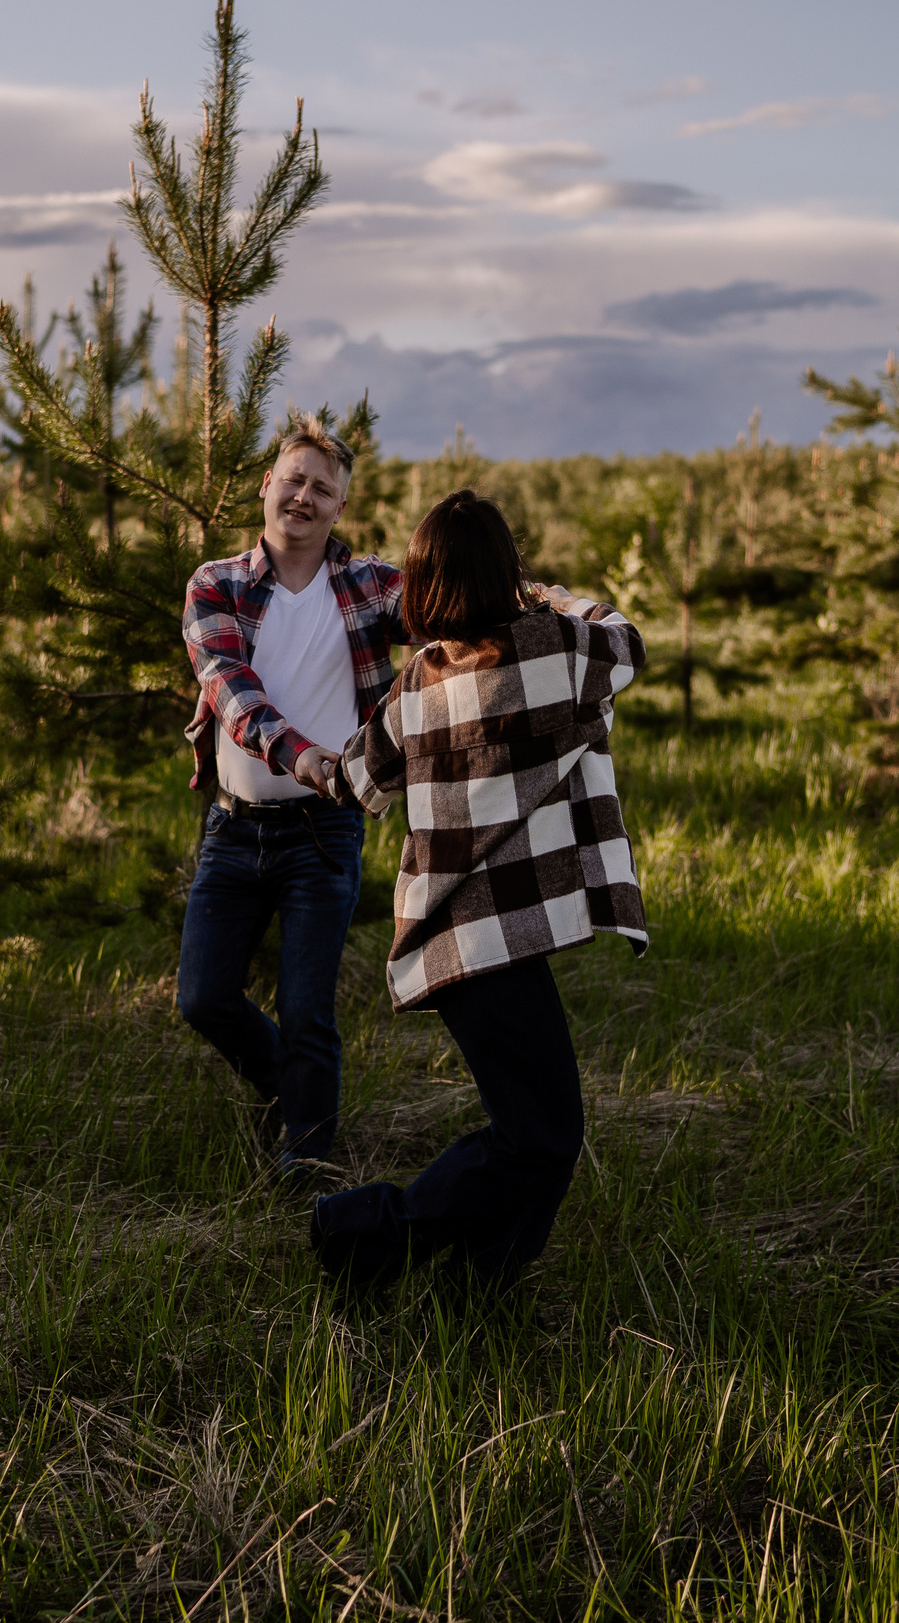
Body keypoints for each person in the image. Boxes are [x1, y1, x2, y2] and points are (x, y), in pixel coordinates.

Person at [311, 488, 647, 1295]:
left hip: (450, 943)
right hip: (499, 940)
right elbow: (627, 641)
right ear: (509, 572)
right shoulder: (555, 644)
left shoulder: (417, 682)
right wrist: (549, 593)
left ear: (424, 585)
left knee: (535, 1131)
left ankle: (482, 1283)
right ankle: (361, 1233)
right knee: (543, 1136)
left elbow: (359, 778)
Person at [178, 419, 405, 1178]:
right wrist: (302, 755)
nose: (304, 496)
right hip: (234, 829)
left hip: (324, 832)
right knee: (203, 998)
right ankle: (288, 1089)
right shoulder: (218, 585)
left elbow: (458, 598)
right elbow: (233, 695)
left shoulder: (371, 586)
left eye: (322, 488)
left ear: (340, 507)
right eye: (294, 480)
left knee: (311, 1010)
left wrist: (541, 600)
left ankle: (309, 1164)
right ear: (266, 486)